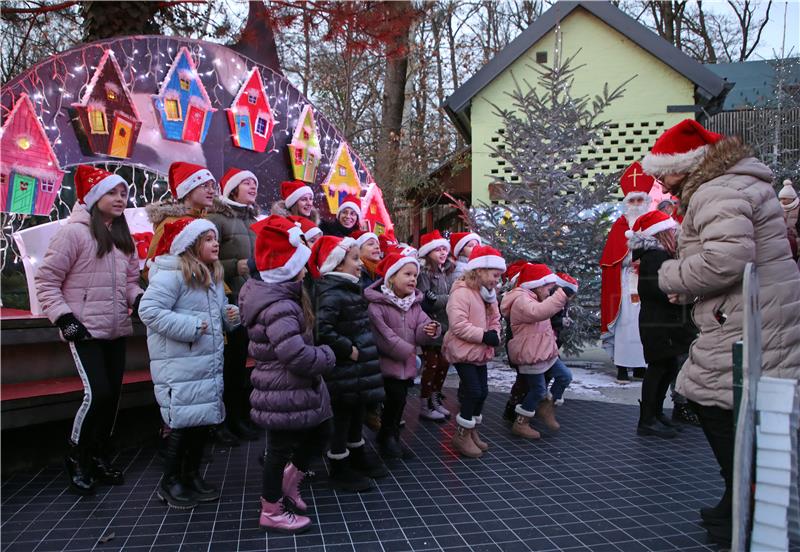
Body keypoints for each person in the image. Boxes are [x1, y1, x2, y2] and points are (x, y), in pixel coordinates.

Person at [642, 118, 800, 546]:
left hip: (747, 319)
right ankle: (739, 496)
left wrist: (672, 277)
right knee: (731, 404)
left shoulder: (715, 191)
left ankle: (743, 502)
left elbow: (724, 260)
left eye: (664, 172)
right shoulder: (734, 183)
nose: (661, 182)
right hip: (755, 312)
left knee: (716, 400)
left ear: (687, 164)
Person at [36, 165, 143, 496]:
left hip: (115, 329)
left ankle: (98, 454)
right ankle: (77, 456)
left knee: (111, 399)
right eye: (112, 192)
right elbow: (47, 280)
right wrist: (64, 318)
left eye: (123, 193)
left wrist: (140, 300)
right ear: (95, 197)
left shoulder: (123, 238)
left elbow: (129, 281)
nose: (120, 199)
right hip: (83, 330)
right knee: (97, 394)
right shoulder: (73, 233)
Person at [239, 215, 335, 534]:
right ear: (289, 267)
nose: (307, 269)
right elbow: (292, 353)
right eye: (302, 263)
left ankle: (289, 483)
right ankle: (271, 509)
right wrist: (326, 356)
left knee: (321, 430)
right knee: (278, 450)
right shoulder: (278, 305)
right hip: (282, 388)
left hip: (296, 386)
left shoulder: (285, 294)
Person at [139, 217, 240, 509]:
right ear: (190, 245)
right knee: (182, 426)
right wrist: (193, 326)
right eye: (208, 239)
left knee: (200, 423)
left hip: (204, 365)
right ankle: (170, 482)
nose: (216, 243)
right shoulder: (172, 276)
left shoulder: (212, 277)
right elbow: (149, 311)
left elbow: (216, 315)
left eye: (215, 238)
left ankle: (192, 475)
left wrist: (228, 317)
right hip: (180, 366)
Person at [310, 235, 387, 491]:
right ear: (337, 264)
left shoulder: (348, 288)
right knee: (342, 417)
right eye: (354, 259)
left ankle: (357, 452)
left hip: (355, 369)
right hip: (343, 368)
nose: (360, 264)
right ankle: (339, 463)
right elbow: (322, 329)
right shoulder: (332, 292)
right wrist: (348, 349)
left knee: (356, 412)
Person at [627, 211, 696, 439]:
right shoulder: (655, 257)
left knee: (666, 368)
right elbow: (657, 289)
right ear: (663, 233)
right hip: (659, 323)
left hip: (664, 322)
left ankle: (656, 414)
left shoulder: (659, 255)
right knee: (658, 369)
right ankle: (647, 419)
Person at [365, 253, 440, 460]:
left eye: (415, 275)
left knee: (400, 402)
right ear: (391, 278)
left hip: (405, 366)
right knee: (393, 401)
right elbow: (383, 336)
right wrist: (407, 349)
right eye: (407, 274)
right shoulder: (377, 305)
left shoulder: (413, 304)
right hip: (386, 365)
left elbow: (421, 326)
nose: (413, 279)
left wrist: (431, 329)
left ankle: (391, 436)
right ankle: (387, 437)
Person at [207, 168, 261, 444]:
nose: (253, 186)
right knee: (229, 366)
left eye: (255, 183)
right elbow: (202, 259)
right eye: (247, 182)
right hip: (227, 303)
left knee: (242, 364)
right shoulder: (217, 219)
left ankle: (240, 417)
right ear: (232, 189)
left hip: (250, 302)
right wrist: (233, 266)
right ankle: (225, 421)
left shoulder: (253, 220)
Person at [443, 245, 505, 458]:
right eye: (495, 275)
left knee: (483, 392)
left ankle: (471, 430)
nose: (497, 280)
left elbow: (496, 318)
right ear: (480, 270)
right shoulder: (462, 292)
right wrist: (483, 335)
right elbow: (458, 324)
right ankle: (461, 434)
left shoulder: (489, 294)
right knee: (473, 391)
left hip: (479, 351)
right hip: (463, 351)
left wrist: (495, 333)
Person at [499, 264, 569, 440]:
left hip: (545, 351)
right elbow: (539, 312)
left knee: (565, 376)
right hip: (531, 354)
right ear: (537, 285)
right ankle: (521, 423)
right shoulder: (521, 300)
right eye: (549, 288)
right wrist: (561, 295)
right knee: (538, 390)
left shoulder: (534, 297)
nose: (551, 291)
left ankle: (547, 406)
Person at [600, 161, 653, 383]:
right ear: (626, 203)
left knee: (644, 324)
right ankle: (622, 367)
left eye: (640, 199)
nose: (636, 203)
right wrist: (629, 258)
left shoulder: (653, 224)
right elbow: (611, 258)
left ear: (646, 201)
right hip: (623, 283)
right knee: (625, 325)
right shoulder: (619, 227)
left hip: (645, 282)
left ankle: (640, 366)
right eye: (632, 200)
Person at [144, 161, 218, 281]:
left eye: (212, 186)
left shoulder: (204, 221)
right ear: (187, 192)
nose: (211, 191)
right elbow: (150, 269)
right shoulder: (170, 223)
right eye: (204, 185)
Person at [416, 230, 457, 421]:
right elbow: (426, 300)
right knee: (431, 366)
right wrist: (451, 299)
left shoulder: (448, 271)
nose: (442, 253)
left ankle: (435, 398)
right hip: (431, 327)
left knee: (443, 365)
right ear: (428, 252)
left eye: (444, 249)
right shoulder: (424, 273)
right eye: (437, 249)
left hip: (446, 326)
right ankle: (425, 403)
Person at [778, 179, 799, 261]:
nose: (782, 201)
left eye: (785, 198)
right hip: (783, 241)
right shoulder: (778, 207)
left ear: (791, 198)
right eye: (781, 198)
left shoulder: (798, 207)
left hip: (796, 242)